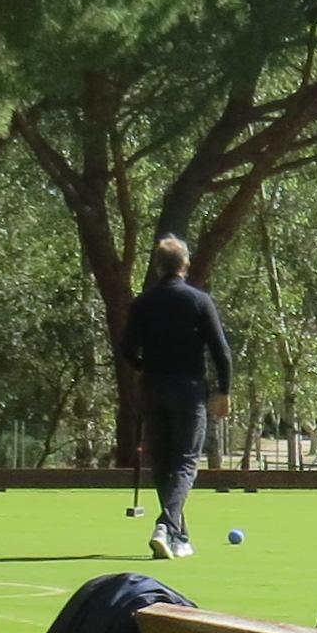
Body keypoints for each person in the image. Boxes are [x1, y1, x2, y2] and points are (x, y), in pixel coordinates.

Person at [120, 232, 235, 561]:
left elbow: (127, 349)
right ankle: (166, 524)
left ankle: (178, 536)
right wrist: (224, 390)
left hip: (153, 388)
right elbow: (221, 352)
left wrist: (144, 366)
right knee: (185, 462)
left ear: (158, 267)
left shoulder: (143, 303)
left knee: (163, 463)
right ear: (185, 264)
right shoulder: (199, 301)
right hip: (188, 389)